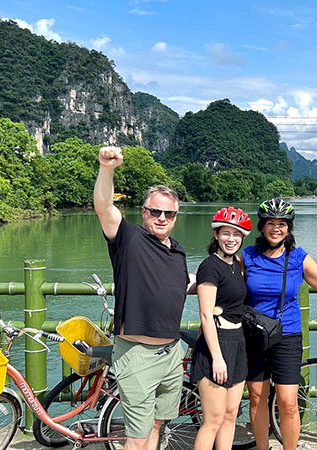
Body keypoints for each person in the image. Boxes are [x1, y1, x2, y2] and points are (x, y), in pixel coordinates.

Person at [94, 145, 190, 450]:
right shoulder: (129, 238)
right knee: (136, 437)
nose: (162, 218)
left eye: (169, 213)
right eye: (155, 211)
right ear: (144, 211)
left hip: (172, 353)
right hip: (136, 353)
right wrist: (107, 168)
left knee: (158, 425)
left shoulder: (177, 251)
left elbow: (182, 284)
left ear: (176, 216)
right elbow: (104, 207)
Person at [244, 197, 317, 450]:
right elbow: (229, 285)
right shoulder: (248, 256)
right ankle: (263, 447)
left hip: (288, 335)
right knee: (257, 398)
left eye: (282, 223)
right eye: (270, 223)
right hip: (255, 335)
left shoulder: (298, 257)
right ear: (261, 226)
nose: (276, 228)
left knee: (288, 402)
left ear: (289, 228)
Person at [191, 207, 253, 450]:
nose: (231, 239)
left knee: (230, 415)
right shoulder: (210, 266)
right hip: (216, 344)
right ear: (216, 235)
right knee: (213, 420)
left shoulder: (237, 264)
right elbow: (206, 315)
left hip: (238, 341)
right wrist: (217, 358)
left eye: (237, 235)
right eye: (226, 233)